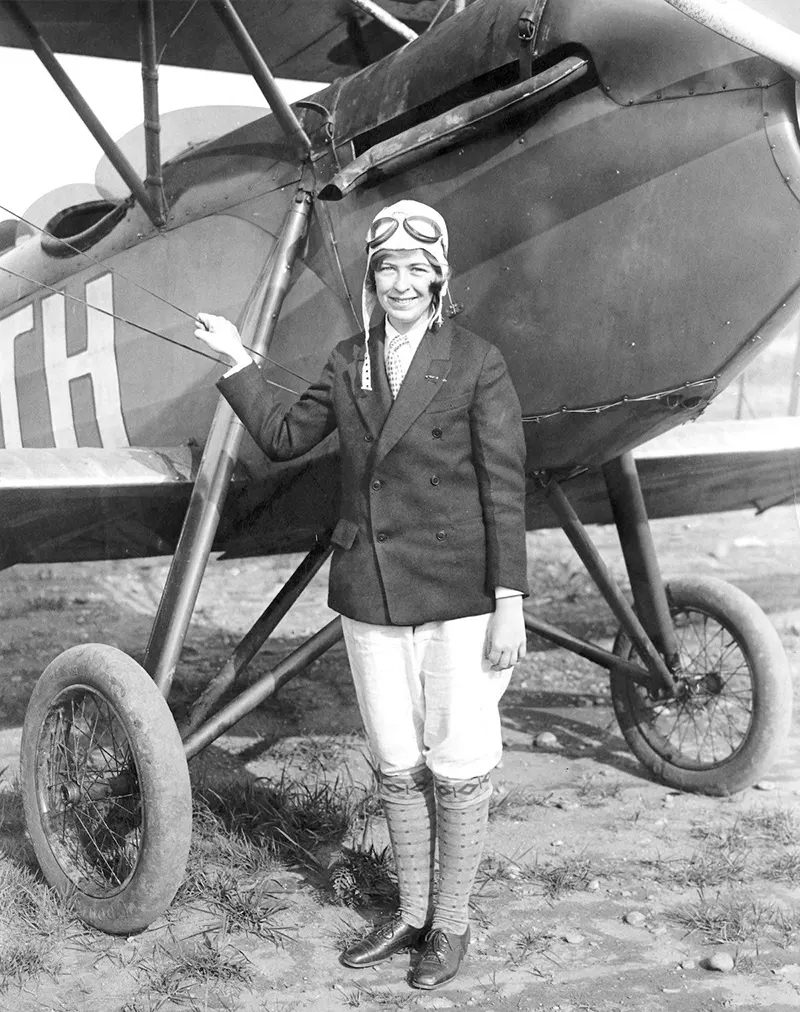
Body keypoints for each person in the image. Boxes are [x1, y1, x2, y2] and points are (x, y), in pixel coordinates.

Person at [194, 199, 528, 989]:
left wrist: (509, 598)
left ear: (439, 278)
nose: (403, 282)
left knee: (457, 757)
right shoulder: (351, 361)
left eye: (418, 268)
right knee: (396, 758)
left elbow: (506, 489)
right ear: (373, 281)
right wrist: (238, 360)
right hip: (371, 588)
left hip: (459, 588)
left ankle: (451, 924)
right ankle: (411, 912)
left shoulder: (478, 361)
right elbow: (282, 438)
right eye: (389, 269)